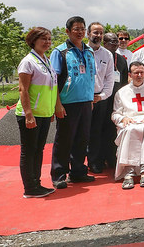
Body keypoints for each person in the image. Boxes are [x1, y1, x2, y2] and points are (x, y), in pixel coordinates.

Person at [16, 27, 64, 198]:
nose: (47, 42)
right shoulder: (28, 62)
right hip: (31, 114)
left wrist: (51, 109)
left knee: (38, 150)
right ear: (33, 40)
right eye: (43, 39)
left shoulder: (46, 60)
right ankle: (29, 187)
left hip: (44, 113)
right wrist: (28, 114)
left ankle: (37, 183)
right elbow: (23, 89)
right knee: (29, 150)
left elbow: (52, 87)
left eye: (49, 39)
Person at [50, 16, 97, 189]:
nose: (80, 32)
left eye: (82, 28)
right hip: (67, 103)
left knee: (82, 139)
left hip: (85, 101)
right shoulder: (60, 52)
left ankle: (78, 172)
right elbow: (53, 81)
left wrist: (90, 98)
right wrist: (57, 105)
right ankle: (59, 174)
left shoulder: (89, 51)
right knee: (64, 139)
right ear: (68, 31)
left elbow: (91, 77)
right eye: (76, 29)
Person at [112, 62, 144, 189]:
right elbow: (115, 113)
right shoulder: (121, 92)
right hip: (130, 121)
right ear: (130, 74)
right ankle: (128, 172)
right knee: (130, 130)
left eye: (142, 72)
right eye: (136, 73)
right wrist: (123, 118)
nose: (139, 75)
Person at [94, 33, 129, 171]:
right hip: (100, 98)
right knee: (97, 130)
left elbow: (125, 82)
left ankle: (112, 158)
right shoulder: (97, 56)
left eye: (116, 42)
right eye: (111, 42)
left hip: (116, 99)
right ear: (104, 43)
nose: (114, 44)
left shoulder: (121, 60)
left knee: (112, 130)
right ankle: (96, 161)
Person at [87, 22, 115, 174]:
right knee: (80, 132)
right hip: (82, 99)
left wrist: (102, 96)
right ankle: (77, 164)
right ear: (88, 34)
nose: (98, 35)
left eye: (100, 33)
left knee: (97, 132)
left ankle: (94, 162)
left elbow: (110, 79)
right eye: (95, 32)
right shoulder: (80, 51)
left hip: (100, 99)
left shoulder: (107, 54)